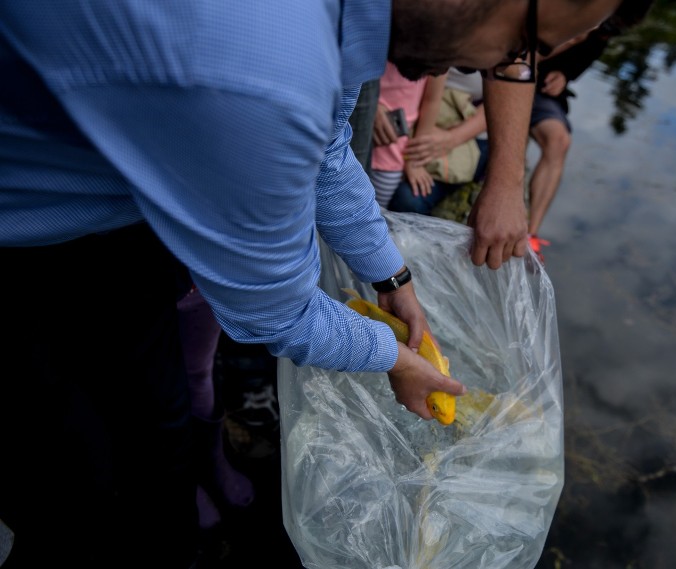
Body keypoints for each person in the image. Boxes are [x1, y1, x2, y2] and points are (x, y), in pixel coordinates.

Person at [0, 0, 625, 566]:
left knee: (157, 437)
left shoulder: (337, 24)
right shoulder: (262, 74)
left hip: (121, 227)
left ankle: (177, 510)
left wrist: (392, 275)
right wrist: (394, 359)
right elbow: (273, 310)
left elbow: (329, 152)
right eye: (519, 44)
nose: (498, 69)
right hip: (29, 258)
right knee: (73, 505)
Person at [525, 0, 656, 261]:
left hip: (541, 92)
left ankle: (531, 233)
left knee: (560, 141)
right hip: (512, 78)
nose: (608, 28)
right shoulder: (560, 10)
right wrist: (570, 40)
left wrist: (563, 77)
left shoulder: (603, 33)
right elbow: (519, 56)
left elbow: (572, 69)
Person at [176, 286, 255, 531]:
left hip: (196, 269)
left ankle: (213, 459)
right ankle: (180, 478)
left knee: (199, 371)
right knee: (146, 385)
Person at [389, 67, 489, 215]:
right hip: (411, 119)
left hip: (462, 132)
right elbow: (431, 98)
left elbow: (505, 102)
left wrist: (451, 138)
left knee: (409, 199)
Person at [370, 62, 446, 208]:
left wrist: (414, 159)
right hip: (350, 136)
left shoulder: (439, 47)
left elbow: (432, 100)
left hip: (391, 154)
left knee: (375, 212)